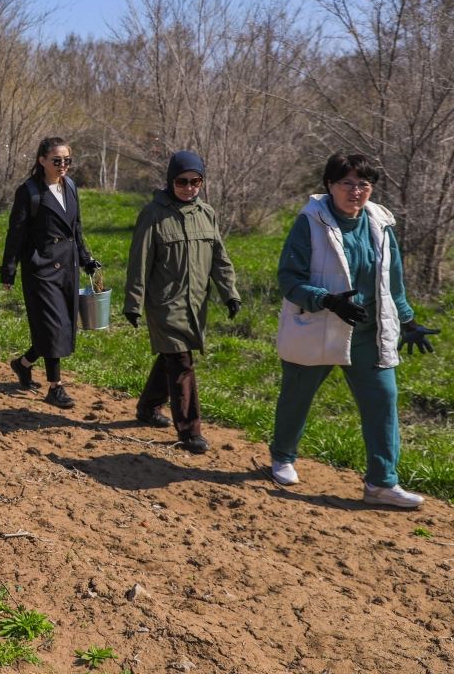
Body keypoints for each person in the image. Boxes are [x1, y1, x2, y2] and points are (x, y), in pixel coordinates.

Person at [271, 153, 439, 507]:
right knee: (297, 398)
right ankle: (283, 456)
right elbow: (289, 280)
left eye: (364, 184)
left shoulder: (379, 221)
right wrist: (327, 300)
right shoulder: (310, 222)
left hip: (368, 334)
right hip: (320, 326)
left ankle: (381, 483)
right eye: (346, 183)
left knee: (383, 400)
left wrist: (407, 321)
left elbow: (392, 280)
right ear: (329, 185)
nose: (356, 191)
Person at [123, 151, 240, 454]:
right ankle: (190, 430)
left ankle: (148, 406)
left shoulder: (207, 213)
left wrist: (230, 293)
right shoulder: (153, 214)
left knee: (171, 357)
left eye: (195, 181)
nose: (189, 187)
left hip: (195, 305)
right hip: (164, 304)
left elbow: (220, 259)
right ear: (170, 181)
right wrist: (133, 303)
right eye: (182, 181)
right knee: (181, 363)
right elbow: (139, 262)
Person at [0, 139, 102, 407]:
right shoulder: (29, 191)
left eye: (67, 160)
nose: (63, 165)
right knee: (54, 326)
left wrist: (85, 258)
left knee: (60, 326)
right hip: (41, 270)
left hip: (67, 268)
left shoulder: (69, 186)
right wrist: (8, 271)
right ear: (42, 160)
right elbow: (16, 233)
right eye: (57, 160)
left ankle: (23, 364)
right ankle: (55, 388)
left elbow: (75, 228)